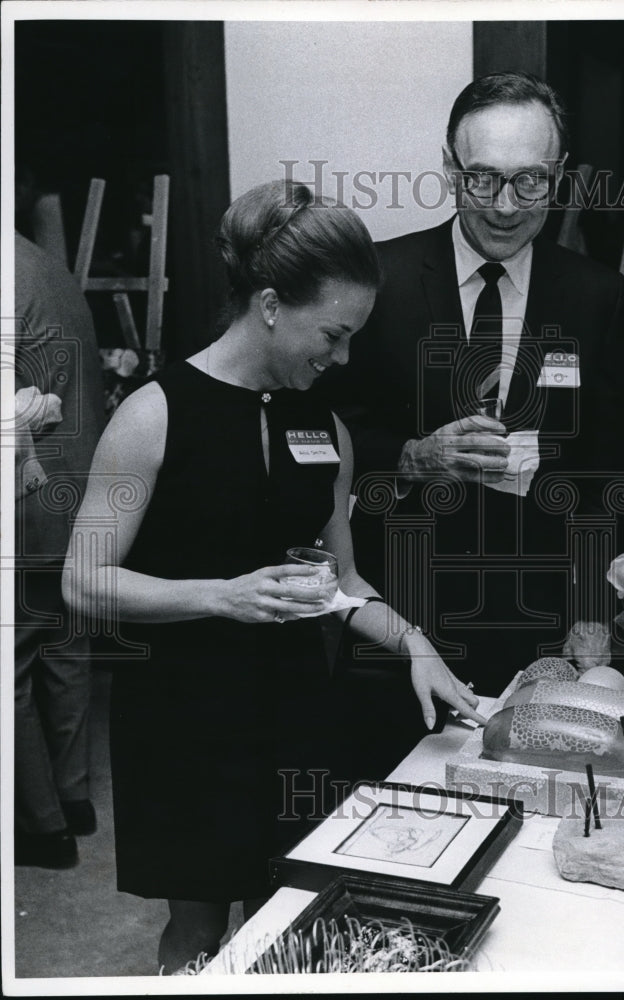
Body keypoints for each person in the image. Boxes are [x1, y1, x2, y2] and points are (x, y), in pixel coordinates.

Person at [62, 180, 483, 973]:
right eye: (332, 333)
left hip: (294, 709)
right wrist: (221, 595)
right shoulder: (152, 415)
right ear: (268, 304)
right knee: (197, 934)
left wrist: (416, 643)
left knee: (291, 922)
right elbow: (82, 583)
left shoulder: (322, 425)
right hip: (184, 718)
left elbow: (343, 581)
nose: (343, 356)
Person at [317, 72, 624, 725]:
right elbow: (315, 435)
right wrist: (409, 456)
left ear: (561, 174)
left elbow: (607, 465)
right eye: (483, 178)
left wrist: (593, 613)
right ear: (448, 167)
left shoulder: (593, 294)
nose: (506, 206)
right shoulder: (381, 281)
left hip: (538, 618)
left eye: (531, 180)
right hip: (400, 614)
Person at [15, 233, 106, 869]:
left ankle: (41, 828)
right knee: (66, 650)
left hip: (27, 496)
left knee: (10, 668)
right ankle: (74, 799)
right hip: (81, 489)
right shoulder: (43, 262)